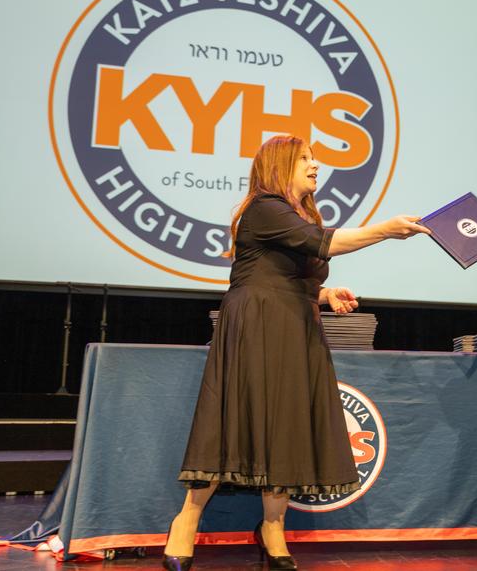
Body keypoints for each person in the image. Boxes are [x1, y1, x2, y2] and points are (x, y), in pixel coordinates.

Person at [162, 135, 429, 571]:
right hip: (257, 324)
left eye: (314, 158)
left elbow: (288, 275)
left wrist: (322, 294)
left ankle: (273, 527)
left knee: (287, 426)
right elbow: (319, 245)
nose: (315, 165)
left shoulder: (296, 214)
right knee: (233, 424)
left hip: (295, 323)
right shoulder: (265, 207)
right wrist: (385, 230)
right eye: (305, 158)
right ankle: (187, 521)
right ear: (279, 166)